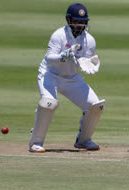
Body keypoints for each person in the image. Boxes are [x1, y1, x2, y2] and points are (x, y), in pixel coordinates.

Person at [29, 3, 105, 152]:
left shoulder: (89, 40)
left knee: (96, 106)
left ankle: (83, 140)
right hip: (50, 75)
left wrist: (87, 62)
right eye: (76, 21)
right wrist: (63, 56)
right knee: (48, 103)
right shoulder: (59, 35)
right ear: (69, 20)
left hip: (71, 78)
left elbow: (85, 59)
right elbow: (50, 58)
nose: (80, 25)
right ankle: (35, 143)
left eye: (83, 22)